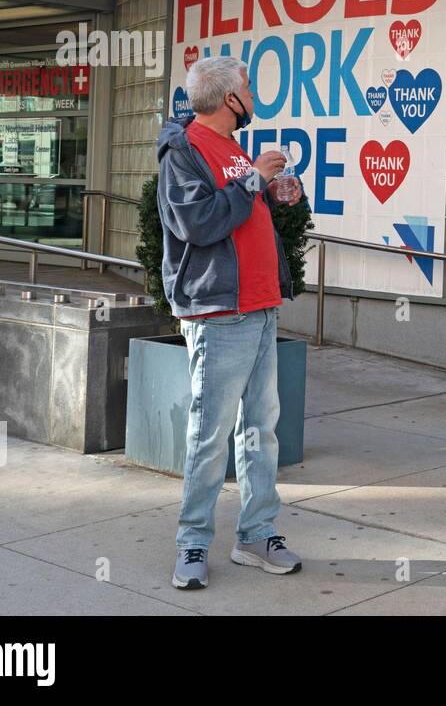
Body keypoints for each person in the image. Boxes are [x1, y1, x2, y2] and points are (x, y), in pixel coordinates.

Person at [155, 55, 304, 589]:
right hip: (219, 312)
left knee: (261, 430)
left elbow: (239, 210)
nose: (254, 97)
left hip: (261, 306)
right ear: (228, 100)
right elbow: (198, 222)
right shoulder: (184, 151)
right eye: (248, 88)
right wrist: (250, 185)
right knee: (210, 432)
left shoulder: (231, 147)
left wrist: (273, 193)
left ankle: (256, 533)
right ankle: (193, 543)